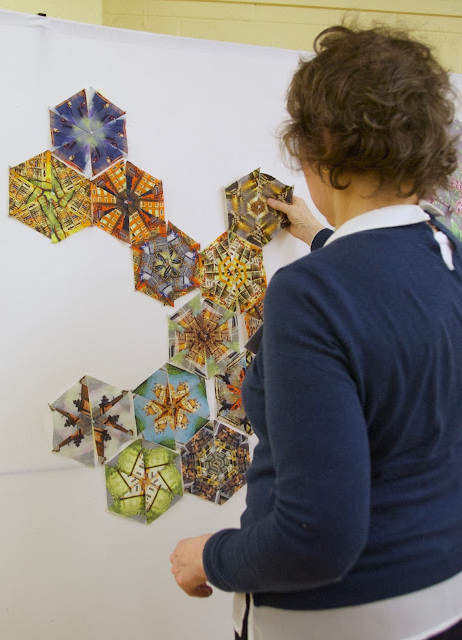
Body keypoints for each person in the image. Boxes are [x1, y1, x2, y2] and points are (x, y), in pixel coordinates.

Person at [170, 25, 462, 640]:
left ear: (319, 145)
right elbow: (387, 301)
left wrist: (209, 556)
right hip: (445, 602)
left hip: (337, 621)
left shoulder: (309, 294)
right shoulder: (448, 256)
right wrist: (325, 238)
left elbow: (316, 539)